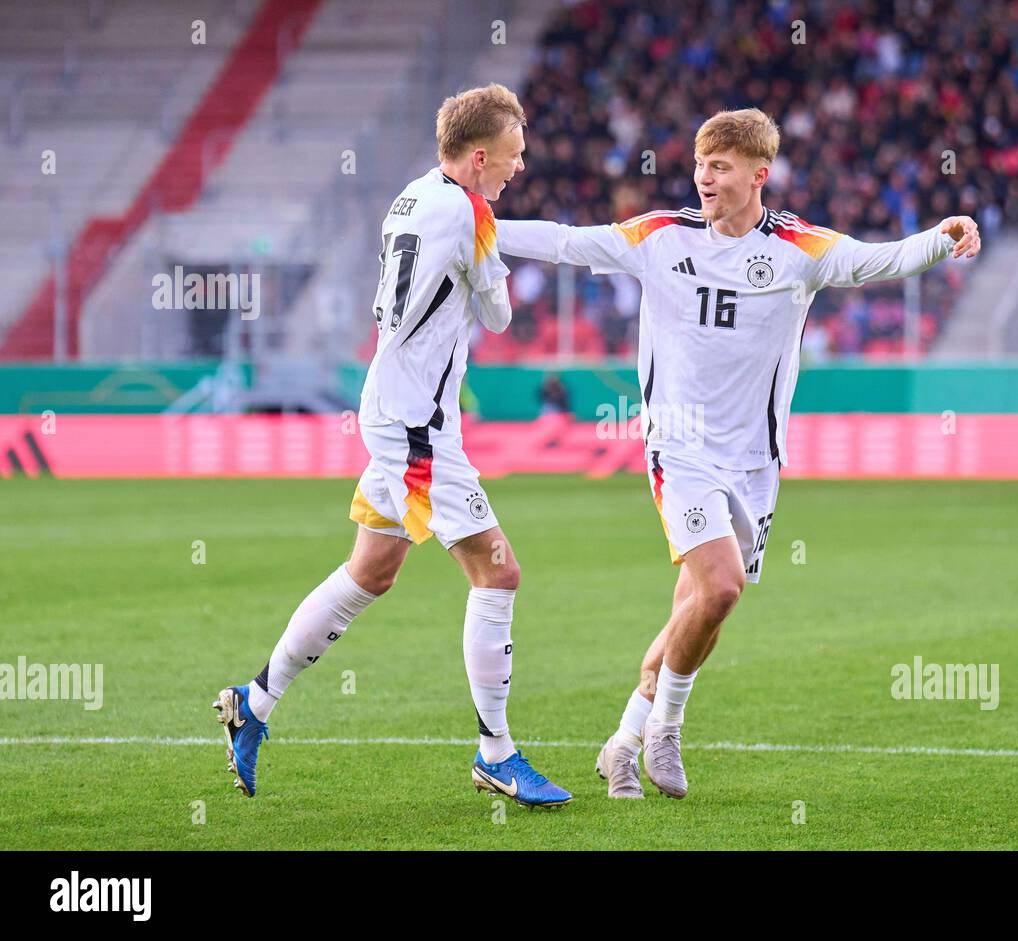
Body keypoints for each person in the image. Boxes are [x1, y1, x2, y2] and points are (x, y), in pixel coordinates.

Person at [497, 108, 979, 799]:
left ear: (760, 175)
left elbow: (879, 261)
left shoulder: (798, 248)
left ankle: (622, 743)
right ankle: (667, 730)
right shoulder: (660, 236)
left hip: (755, 464)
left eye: (720, 167)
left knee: (702, 607)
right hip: (680, 449)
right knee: (719, 583)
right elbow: (569, 243)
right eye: (700, 165)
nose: (704, 178)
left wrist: (943, 234)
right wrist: (480, 226)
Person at [213, 84, 572, 808]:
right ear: (479, 157)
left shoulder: (408, 198)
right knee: (498, 575)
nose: (519, 167)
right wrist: (487, 265)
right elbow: (499, 317)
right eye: (512, 155)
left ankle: (255, 700)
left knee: (371, 571)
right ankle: (496, 753)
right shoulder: (472, 211)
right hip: (417, 428)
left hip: (392, 403)